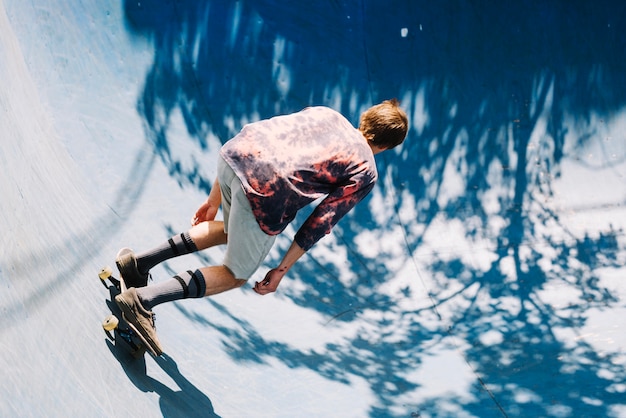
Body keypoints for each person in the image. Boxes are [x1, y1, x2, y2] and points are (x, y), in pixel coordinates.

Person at [114, 100, 409, 355]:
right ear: (384, 146)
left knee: (232, 227)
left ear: (366, 118)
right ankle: (142, 300)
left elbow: (269, 137)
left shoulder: (326, 113)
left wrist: (213, 199)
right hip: (264, 195)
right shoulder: (365, 169)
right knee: (235, 274)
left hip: (236, 152)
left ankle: (138, 264)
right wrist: (281, 270)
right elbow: (320, 222)